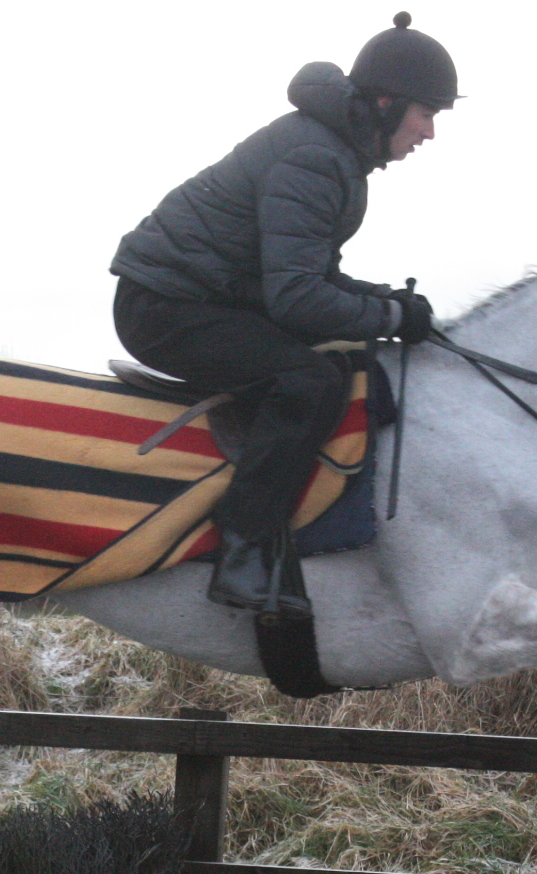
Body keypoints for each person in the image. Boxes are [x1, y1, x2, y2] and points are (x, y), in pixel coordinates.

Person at [109, 12, 457, 620]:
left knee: (335, 360)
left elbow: (306, 277)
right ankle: (241, 551)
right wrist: (387, 316)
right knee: (309, 381)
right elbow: (296, 299)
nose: (429, 133)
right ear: (385, 102)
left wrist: (389, 304)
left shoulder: (335, 153)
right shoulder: (317, 157)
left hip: (205, 297)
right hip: (164, 307)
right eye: (426, 114)